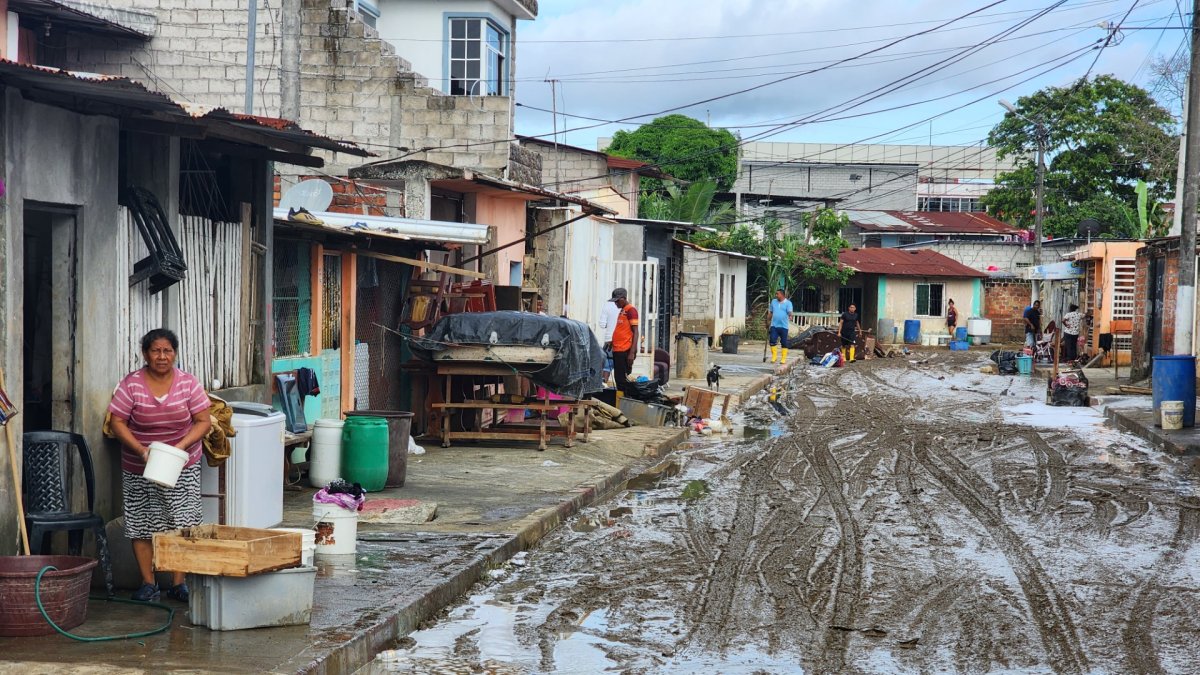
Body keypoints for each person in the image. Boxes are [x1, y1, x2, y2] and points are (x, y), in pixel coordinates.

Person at [108, 328, 211, 603]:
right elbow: (116, 421)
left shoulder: (188, 384)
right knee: (141, 523)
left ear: (175, 354)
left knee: (183, 522)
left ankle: (179, 584)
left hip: (182, 464)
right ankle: (148, 583)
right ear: (145, 354)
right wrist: (141, 451)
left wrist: (180, 448)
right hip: (139, 465)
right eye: (156, 351)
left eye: (167, 351)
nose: (162, 356)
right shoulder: (131, 385)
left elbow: (204, 421)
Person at [611, 289, 639, 388]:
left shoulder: (631, 310)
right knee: (618, 378)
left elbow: (635, 332)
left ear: (623, 298)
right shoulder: (623, 310)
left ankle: (623, 400)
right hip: (618, 349)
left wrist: (632, 353)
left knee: (622, 380)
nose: (615, 303)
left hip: (624, 350)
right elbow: (622, 330)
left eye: (617, 301)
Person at [767, 288, 793, 365]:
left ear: (782, 295)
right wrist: (768, 321)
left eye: (777, 294)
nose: (776, 295)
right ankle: (774, 356)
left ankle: (783, 358)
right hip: (774, 325)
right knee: (772, 340)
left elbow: (790, 312)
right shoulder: (773, 302)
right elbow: (770, 312)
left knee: (784, 342)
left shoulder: (788, 303)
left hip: (784, 326)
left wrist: (790, 316)